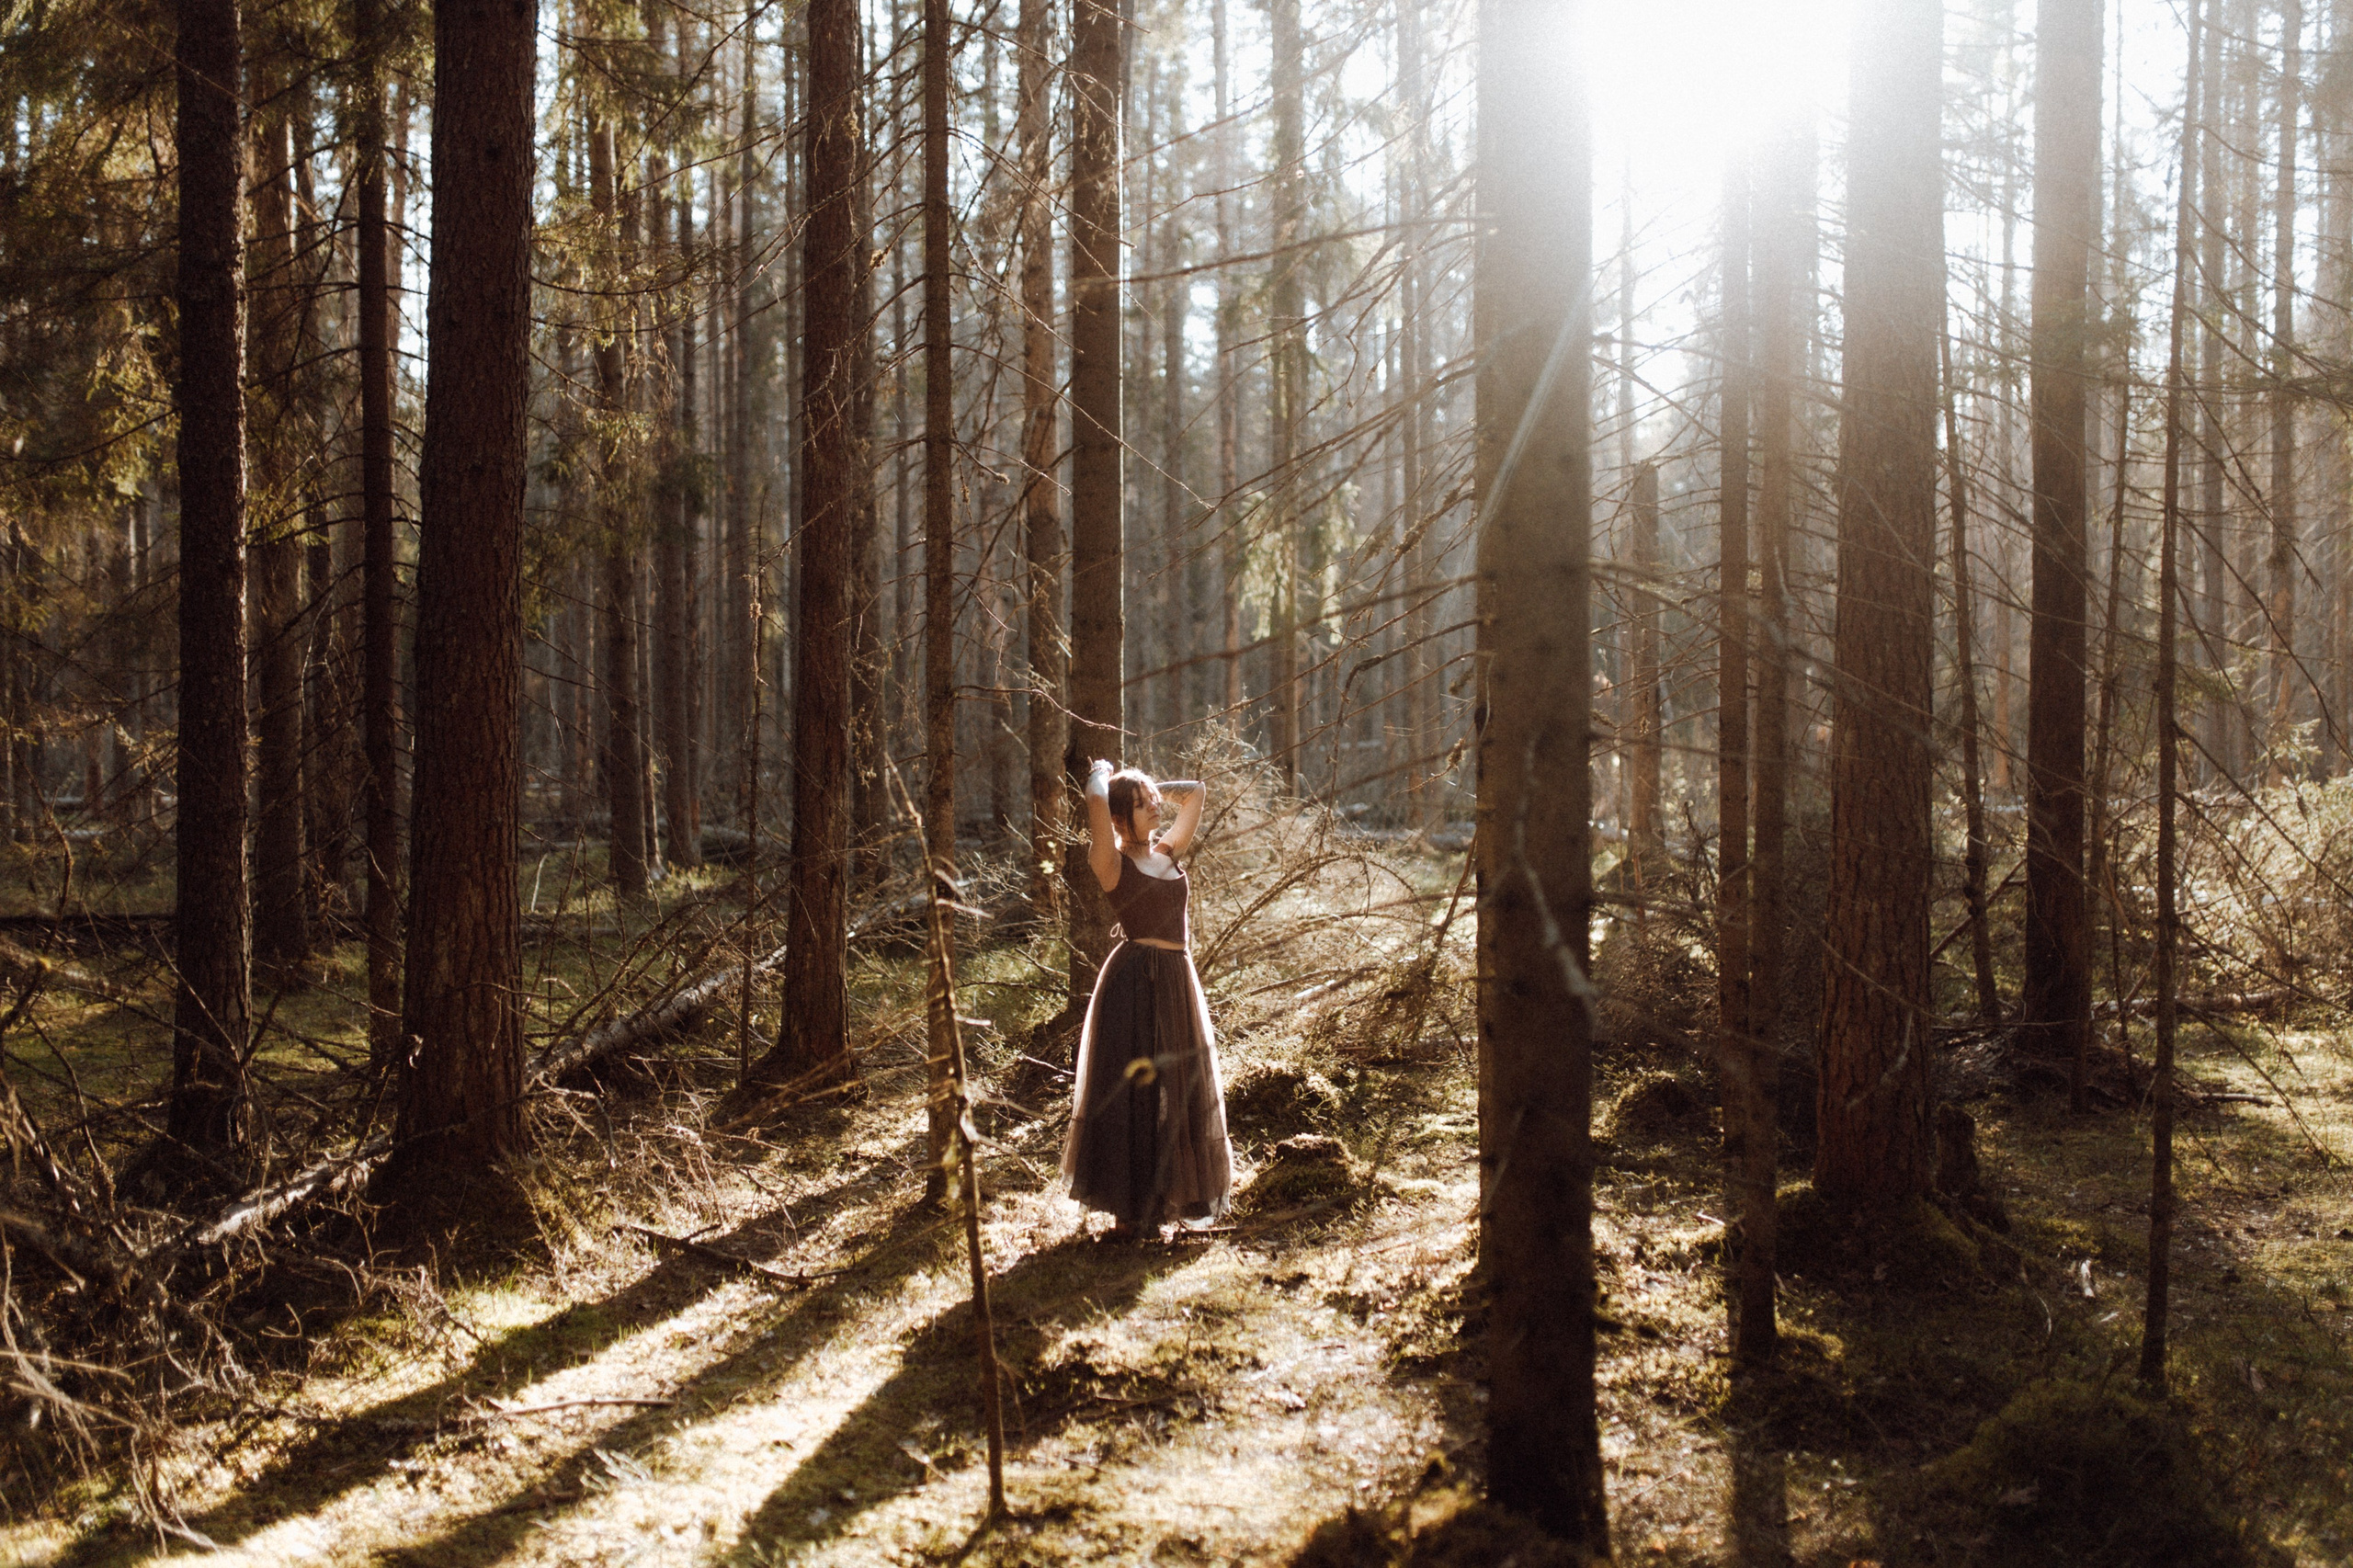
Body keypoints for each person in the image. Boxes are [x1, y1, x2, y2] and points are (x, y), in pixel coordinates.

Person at [1062, 760, 1233, 1239]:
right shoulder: (1111, 863)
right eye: (1140, 805)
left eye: (1153, 800)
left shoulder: (1167, 850)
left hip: (1177, 978)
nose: (1155, 806)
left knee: (1181, 1088)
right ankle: (1130, 1211)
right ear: (1119, 820)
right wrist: (1103, 772)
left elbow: (1196, 792)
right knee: (1136, 1094)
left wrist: (1147, 786)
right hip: (1134, 982)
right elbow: (1097, 798)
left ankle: (1179, 1197)